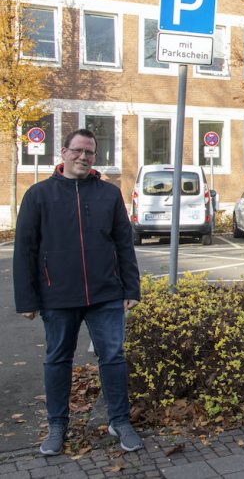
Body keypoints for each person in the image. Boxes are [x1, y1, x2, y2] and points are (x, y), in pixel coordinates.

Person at [13, 129, 142, 455]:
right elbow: (25, 249)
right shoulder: (38, 195)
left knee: (113, 357)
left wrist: (131, 287)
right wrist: (26, 299)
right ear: (64, 152)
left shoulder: (108, 194)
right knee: (57, 359)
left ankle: (119, 420)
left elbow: (124, 243)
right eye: (78, 151)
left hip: (106, 294)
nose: (84, 157)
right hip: (57, 296)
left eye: (90, 153)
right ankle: (57, 426)